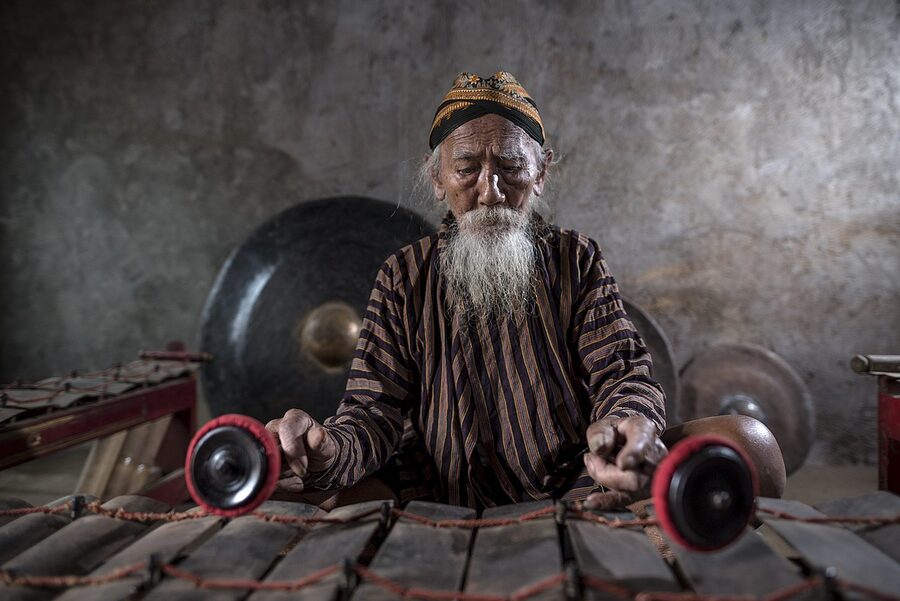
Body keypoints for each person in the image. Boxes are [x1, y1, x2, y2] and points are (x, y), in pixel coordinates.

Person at [267, 71, 786, 510]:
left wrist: (630, 430)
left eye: (511, 167)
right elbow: (370, 413)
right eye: (467, 168)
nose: (490, 191)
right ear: (438, 179)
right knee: (300, 486)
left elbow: (622, 376)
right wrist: (328, 450)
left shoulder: (577, 260)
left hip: (581, 491)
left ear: (541, 173)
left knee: (750, 448)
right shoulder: (402, 276)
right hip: (438, 498)